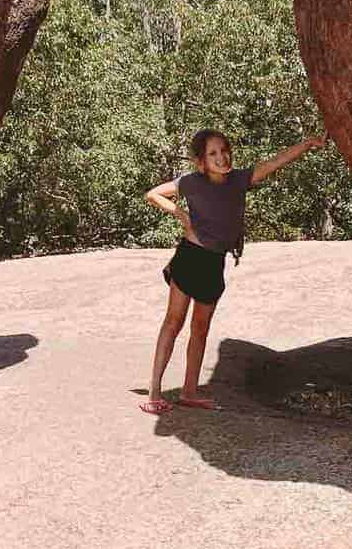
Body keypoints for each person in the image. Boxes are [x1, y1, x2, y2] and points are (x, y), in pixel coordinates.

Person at [140, 129, 327, 415]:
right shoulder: (191, 182)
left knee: (200, 329)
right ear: (201, 161)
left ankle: (189, 391)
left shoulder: (239, 179)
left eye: (223, 150)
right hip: (190, 258)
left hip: (215, 263)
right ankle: (154, 392)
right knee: (173, 322)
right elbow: (153, 194)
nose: (221, 157)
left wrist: (306, 144)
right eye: (212, 153)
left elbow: (275, 163)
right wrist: (182, 215)